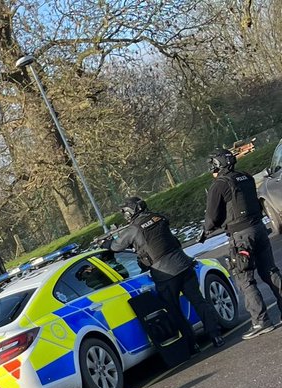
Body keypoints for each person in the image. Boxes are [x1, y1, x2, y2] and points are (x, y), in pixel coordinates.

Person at [103, 196, 224, 351]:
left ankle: (191, 344)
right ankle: (215, 335)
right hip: (184, 265)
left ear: (130, 211)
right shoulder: (158, 217)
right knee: (199, 302)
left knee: (174, 311)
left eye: (125, 211)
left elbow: (116, 246)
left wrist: (105, 243)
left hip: (165, 275)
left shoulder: (134, 229)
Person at [202, 147, 282, 339]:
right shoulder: (245, 177)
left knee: (245, 279)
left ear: (217, 165)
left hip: (241, 237)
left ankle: (261, 321)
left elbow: (211, 217)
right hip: (259, 229)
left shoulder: (219, 185)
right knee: (270, 271)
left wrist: (208, 230)